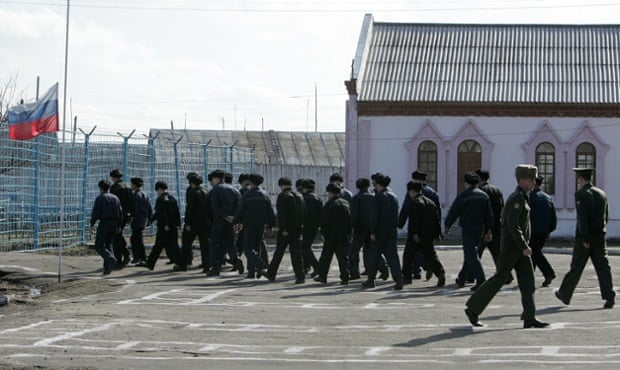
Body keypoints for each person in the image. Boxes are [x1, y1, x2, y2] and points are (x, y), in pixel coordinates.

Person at [465, 165, 549, 329]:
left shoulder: (524, 197)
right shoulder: (516, 198)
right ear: (523, 180)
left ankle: (529, 317)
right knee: (500, 278)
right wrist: (524, 245)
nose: (534, 183)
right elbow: (513, 224)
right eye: (531, 180)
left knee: (528, 281)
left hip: (519, 248)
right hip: (512, 247)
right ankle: (473, 308)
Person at [555, 168, 615, 309]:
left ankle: (564, 293)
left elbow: (583, 218)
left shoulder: (581, 194)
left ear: (580, 179)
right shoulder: (601, 193)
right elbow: (606, 215)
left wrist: (585, 238)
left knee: (576, 266)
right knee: (603, 267)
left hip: (586, 237)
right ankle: (609, 297)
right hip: (600, 235)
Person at [444, 172, 493, 291]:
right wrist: (488, 231)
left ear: (466, 183)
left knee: (471, 254)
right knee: (471, 253)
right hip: (480, 228)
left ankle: (481, 280)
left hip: (468, 228)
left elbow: (454, 211)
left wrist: (447, 225)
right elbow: (489, 215)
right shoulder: (484, 196)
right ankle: (462, 279)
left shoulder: (464, 195)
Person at [398, 181, 446, 287]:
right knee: (431, 256)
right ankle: (440, 274)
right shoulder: (431, 203)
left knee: (408, 256)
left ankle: (407, 278)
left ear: (411, 191)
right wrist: (438, 234)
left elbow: (414, 220)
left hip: (416, 235)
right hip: (428, 235)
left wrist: (414, 233)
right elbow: (436, 220)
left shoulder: (414, 203)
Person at [361, 173, 403, 290]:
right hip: (391, 230)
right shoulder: (393, 196)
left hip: (379, 231)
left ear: (378, 184)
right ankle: (399, 280)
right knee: (393, 257)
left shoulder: (378, 197)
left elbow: (374, 216)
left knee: (374, 256)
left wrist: (372, 231)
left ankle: (370, 280)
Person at [234, 174, 275, 279]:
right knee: (256, 247)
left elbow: (241, 210)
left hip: (249, 224)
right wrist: (271, 225)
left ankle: (260, 265)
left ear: (250, 182)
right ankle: (253, 272)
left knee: (248, 248)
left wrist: (236, 222)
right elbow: (270, 211)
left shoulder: (247, 195)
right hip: (261, 225)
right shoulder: (265, 195)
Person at [266, 177, 306, 283]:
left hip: (286, 229)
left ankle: (271, 273)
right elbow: (304, 212)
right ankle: (300, 275)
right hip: (297, 228)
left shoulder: (283, 196)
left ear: (281, 185)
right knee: (296, 253)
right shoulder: (299, 195)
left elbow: (282, 215)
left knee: (279, 252)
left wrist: (283, 228)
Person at [206, 170, 243, 277]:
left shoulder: (216, 190)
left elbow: (214, 207)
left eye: (212, 180)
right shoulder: (234, 189)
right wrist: (236, 219)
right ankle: (236, 259)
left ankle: (214, 267)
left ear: (216, 179)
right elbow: (240, 205)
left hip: (220, 220)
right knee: (230, 243)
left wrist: (225, 216)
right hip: (232, 221)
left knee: (214, 244)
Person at [315, 183, 352, 284]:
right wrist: (349, 233)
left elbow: (324, 221)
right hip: (343, 235)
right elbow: (349, 219)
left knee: (326, 257)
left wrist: (323, 233)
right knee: (343, 257)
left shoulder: (329, 204)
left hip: (331, 235)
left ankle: (322, 276)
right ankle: (345, 276)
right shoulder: (346, 203)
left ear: (330, 192)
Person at [409, 170, 441, 280]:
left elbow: (406, 208)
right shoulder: (432, 192)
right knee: (428, 250)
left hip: (418, 225)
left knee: (415, 249)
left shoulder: (413, 191)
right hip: (430, 226)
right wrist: (438, 230)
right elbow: (438, 211)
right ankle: (421, 269)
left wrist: (401, 222)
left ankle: (421, 269)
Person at [177, 173, 211, 272]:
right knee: (205, 245)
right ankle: (206, 265)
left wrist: (187, 223)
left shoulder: (193, 192)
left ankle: (183, 264)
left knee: (186, 243)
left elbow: (190, 208)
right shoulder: (205, 191)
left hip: (193, 223)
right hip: (205, 223)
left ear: (191, 182)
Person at [144, 181, 181, 270]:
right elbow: (176, 213)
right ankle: (179, 262)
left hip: (164, 227)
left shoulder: (160, 199)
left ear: (160, 189)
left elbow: (161, 213)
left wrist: (165, 224)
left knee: (158, 246)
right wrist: (178, 224)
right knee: (173, 245)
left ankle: (150, 264)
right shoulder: (172, 198)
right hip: (173, 226)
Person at [475, 169, 506, 273]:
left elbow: (482, 211)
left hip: (484, 227)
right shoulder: (497, 190)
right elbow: (502, 207)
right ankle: (505, 274)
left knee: (475, 253)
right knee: (497, 253)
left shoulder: (481, 191)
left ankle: (467, 275)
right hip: (496, 226)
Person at [529, 176, 557, 287]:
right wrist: (550, 229)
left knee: (534, 252)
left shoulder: (529, 196)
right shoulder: (547, 197)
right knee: (535, 253)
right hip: (543, 230)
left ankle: (549, 273)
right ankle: (530, 276)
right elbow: (553, 215)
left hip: (533, 230)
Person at [90, 180, 123, 275]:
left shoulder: (100, 198)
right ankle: (107, 268)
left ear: (100, 188)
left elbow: (96, 212)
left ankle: (110, 258)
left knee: (98, 245)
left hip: (104, 222)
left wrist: (92, 224)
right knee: (109, 244)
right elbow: (120, 212)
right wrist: (119, 225)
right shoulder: (115, 198)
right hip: (114, 222)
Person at [109, 169, 133, 266]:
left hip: (117, 215)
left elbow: (114, 203)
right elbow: (132, 201)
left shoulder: (115, 188)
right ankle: (125, 255)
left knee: (115, 237)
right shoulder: (127, 186)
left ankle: (120, 257)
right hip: (126, 214)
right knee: (119, 235)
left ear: (114, 177)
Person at [300, 179, 322, 277]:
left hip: (305, 225)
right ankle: (308, 266)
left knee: (305, 247)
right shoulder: (318, 198)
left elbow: (300, 213)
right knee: (306, 246)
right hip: (315, 226)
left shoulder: (302, 198)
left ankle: (316, 266)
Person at [129, 177, 152, 266]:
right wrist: (149, 218)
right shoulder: (144, 195)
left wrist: (131, 217)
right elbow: (149, 207)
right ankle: (139, 257)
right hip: (143, 219)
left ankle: (139, 257)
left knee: (136, 239)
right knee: (137, 238)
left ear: (134, 185)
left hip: (136, 220)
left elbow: (134, 209)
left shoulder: (135, 195)